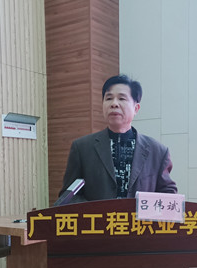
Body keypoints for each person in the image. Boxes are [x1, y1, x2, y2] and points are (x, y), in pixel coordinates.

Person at [59, 74, 177, 203]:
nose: (114, 104)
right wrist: (96, 211)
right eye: (109, 98)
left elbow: (168, 194)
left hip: (140, 217)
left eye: (121, 98)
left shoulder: (157, 152)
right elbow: (68, 196)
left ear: (136, 108)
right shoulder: (82, 148)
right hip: (97, 217)